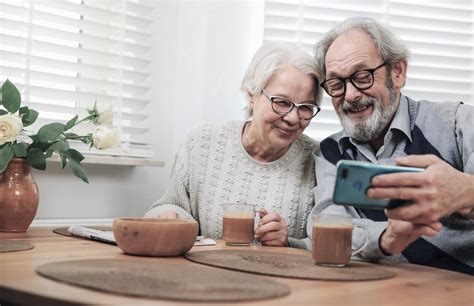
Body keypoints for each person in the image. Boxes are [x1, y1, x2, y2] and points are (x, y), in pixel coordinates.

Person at [309, 17, 474, 275]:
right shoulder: (331, 153)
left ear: (398, 72)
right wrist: (386, 238)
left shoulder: (456, 123)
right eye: (336, 84)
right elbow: (327, 227)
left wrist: (467, 192)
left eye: (363, 76)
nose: (350, 95)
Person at [145, 43, 323, 248]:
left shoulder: (319, 160)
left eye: (306, 107)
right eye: (281, 102)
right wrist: (170, 216)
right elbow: (167, 205)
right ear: (250, 95)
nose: (293, 118)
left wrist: (289, 242)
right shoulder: (201, 143)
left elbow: (331, 244)